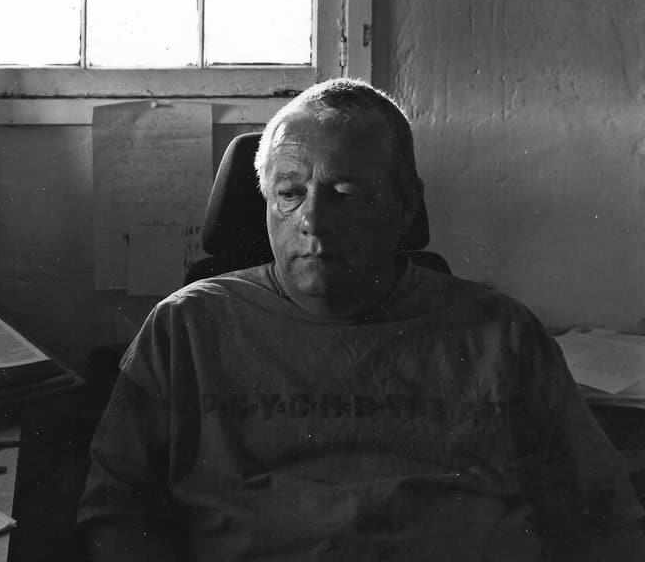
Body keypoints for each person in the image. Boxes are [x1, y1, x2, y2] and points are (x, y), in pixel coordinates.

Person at [79, 78, 644, 560]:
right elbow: (116, 509)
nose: (314, 222)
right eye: (290, 194)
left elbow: (602, 509)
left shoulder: (499, 333)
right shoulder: (188, 329)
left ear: (404, 203)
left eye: (346, 193)